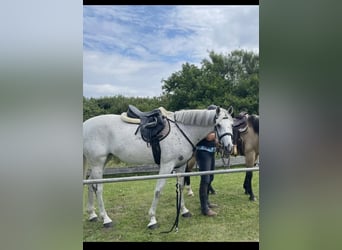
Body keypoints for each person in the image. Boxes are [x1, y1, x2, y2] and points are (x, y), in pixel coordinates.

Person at [196, 104, 219, 216]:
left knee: (211, 177)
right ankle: (204, 208)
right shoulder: (203, 125)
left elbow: (213, 137)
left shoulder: (212, 125)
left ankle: (207, 202)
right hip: (203, 152)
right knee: (205, 179)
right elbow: (209, 137)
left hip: (211, 152)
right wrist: (216, 135)